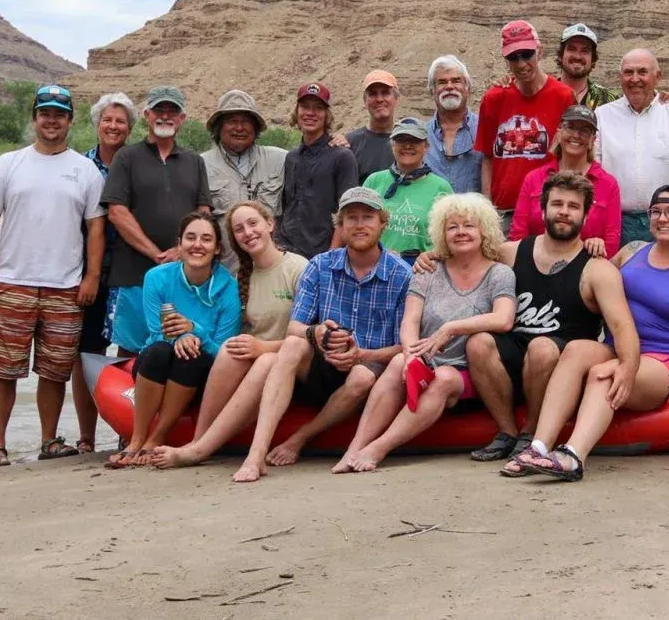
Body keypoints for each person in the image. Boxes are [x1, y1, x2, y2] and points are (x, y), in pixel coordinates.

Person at [514, 185, 669, 481]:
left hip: (662, 362)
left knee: (604, 372)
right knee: (575, 351)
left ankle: (573, 456)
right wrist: (592, 247)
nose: (663, 219)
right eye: (656, 212)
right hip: (616, 346)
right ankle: (538, 446)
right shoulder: (631, 251)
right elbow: (594, 286)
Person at [458, 171, 638, 470]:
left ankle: (532, 433)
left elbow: (622, 325)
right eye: (557, 204)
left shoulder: (597, 269)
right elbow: (463, 257)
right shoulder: (510, 253)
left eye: (573, 206)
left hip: (559, 362)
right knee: (478, 342)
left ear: (585, 214)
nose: (564, 212)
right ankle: (507, 432)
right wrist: (432, 257)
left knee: (541, 347)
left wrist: (629, 368)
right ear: (543, 209)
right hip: (513, 359)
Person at [231, 187, 412, 482]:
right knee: (291, 344)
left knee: (363, 375)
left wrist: (361, 355)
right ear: (339, 226)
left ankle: (300, 437)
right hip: (321, 366)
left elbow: (403, 347)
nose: (359, 224)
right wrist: (317, 333)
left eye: (368, 217)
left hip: (367, 377)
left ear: (383, 223)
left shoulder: (402, 275)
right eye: (350, 218)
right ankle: (255, 454)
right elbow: (295, 327)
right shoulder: (320, 265)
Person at [331, 193, 516, 472]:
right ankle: (354, 448)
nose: (461, 232)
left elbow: (504, 319)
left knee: (442, 378)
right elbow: (410, 321)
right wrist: (409, 354)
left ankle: (377, 449)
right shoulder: (427, 269)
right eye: (452, 226)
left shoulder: (500, 273)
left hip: (470, 371)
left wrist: (451, 328)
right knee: (396, 363)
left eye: (469, 225)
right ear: (442, 233)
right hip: (426, 361)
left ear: (485, 230)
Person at [0, 85, 106, 468]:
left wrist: (92, 276)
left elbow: (96, 227)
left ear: (70, 120)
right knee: (3, 369)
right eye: (45, 113)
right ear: (35, 117)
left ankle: (49, 440)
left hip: (65, 287)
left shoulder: (85, 170)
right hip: (11, 283)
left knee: (55, 371)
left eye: (59, 114)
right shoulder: (8, 163)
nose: (52, 120)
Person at [147, 201, 309, 470]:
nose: (248, 232)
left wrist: (263, 348)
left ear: (270, 224)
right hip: (256, 359)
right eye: (239, 229)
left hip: (293, 360)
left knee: (265, 360)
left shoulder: (298, 268)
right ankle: (198, 439)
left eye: (253, 223)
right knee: (230, 347)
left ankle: (202, 449)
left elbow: (308, 336)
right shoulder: (241, 277)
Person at [108, 213, 240, 467]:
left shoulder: (228, 288)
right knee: (158, 350)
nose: (197, 245)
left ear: (217, 248)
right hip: (157, 360)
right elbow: (157, 331)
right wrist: (180, 337)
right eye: (190, 238)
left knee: (192, 355)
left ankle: (155, 439)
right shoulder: (157, 277)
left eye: (206, 239)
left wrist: (194, 332)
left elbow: (223, 350)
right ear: (179, 245)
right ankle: (135, 440)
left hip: (200, 369)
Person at [102, 85, 213, 357]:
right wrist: (157, 254)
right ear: (147, 115)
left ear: (182, 118)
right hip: (132, 275)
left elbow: (203, 212)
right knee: (130, 350)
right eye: (159, 110)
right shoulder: (126, 157)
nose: (165, 116)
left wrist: (181, 252)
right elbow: (116, 211)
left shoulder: (194, 161)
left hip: (183, 277)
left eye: (172, 111)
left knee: (181, 348)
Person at [71, 91, 135, 454]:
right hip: (87, 270)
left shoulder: (138, 163)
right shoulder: (79, 165)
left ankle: (127, 430)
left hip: (129, 269)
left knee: (128, 350)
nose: (113, 126)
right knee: (88, 352)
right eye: (107, 120)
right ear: (97, 124)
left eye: (120, 121)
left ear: (129, 128)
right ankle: (86, 437)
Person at [475, 20, 575, 231]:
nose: (521, 64)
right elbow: (487, 156)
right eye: (513, 57)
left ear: (539, 51)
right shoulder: (494, 98)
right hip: (502, 212)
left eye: (526, 54)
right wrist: (487, 209)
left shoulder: (563, 96)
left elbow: (569, 154)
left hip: (546, 208)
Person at [595, 49, 669, 246]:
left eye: (642, 72)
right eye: (628, 72)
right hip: (617, 224)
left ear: (657, 77)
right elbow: (595, 173)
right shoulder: (603, 116)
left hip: (667, 222)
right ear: (620, 77)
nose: (635, 79)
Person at [510, 105, 621, 258]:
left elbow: (611, 240)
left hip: (586, 267)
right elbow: (518, 232)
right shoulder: (534, 178)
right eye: (570, 127)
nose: (576, 135)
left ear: (592, 140)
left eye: (585, 131)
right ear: (559, 132)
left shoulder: (608, 184)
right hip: (536, 265)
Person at [201, 89, 287, 271]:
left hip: (273, 272)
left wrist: (336, 140)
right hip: (224, 273)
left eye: (246, 122)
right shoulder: (200, 165)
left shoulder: (282, 160)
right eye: (232, 121)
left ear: (255, 128)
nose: (239, 128)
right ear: (219, 127)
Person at [277, 82, 359, 258]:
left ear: (326, 115)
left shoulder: (342, 157)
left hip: (321, 255)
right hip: (286, 252)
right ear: (297, 112)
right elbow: (288, 206)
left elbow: (347, 211)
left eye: (318, 108)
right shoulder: (291, 158)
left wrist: (332, 255)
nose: (310, 113)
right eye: (305, 107)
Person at [365, 118, 453, 262]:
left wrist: (429, 256)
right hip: (376, 266)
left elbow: (450, 238)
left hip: (422, 271)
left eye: (415, 141)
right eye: (401, 140)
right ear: (392, 145)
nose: (407, 146)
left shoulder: (441, 188)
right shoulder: (374, 181)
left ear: (426, 146)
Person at [423, 55, 484, 195]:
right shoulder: (420, 135)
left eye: (456, 81)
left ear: (467, 88)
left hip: (474, 214)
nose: (449, 86)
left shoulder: (485, 128)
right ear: (432, 90)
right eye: (442, 82)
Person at [344, 70, 401, 183]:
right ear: (365, 101)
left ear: (396, 99)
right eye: (373, 94)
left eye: (385, 93)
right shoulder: (350, 143)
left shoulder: (408, 141)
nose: (379, 99)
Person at [556, 23, 620, 109]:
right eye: (572, 49)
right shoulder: (544, 95)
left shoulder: (610, 101)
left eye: (585, 51)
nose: (577, 56)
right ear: (561, 55)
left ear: (593, 59)